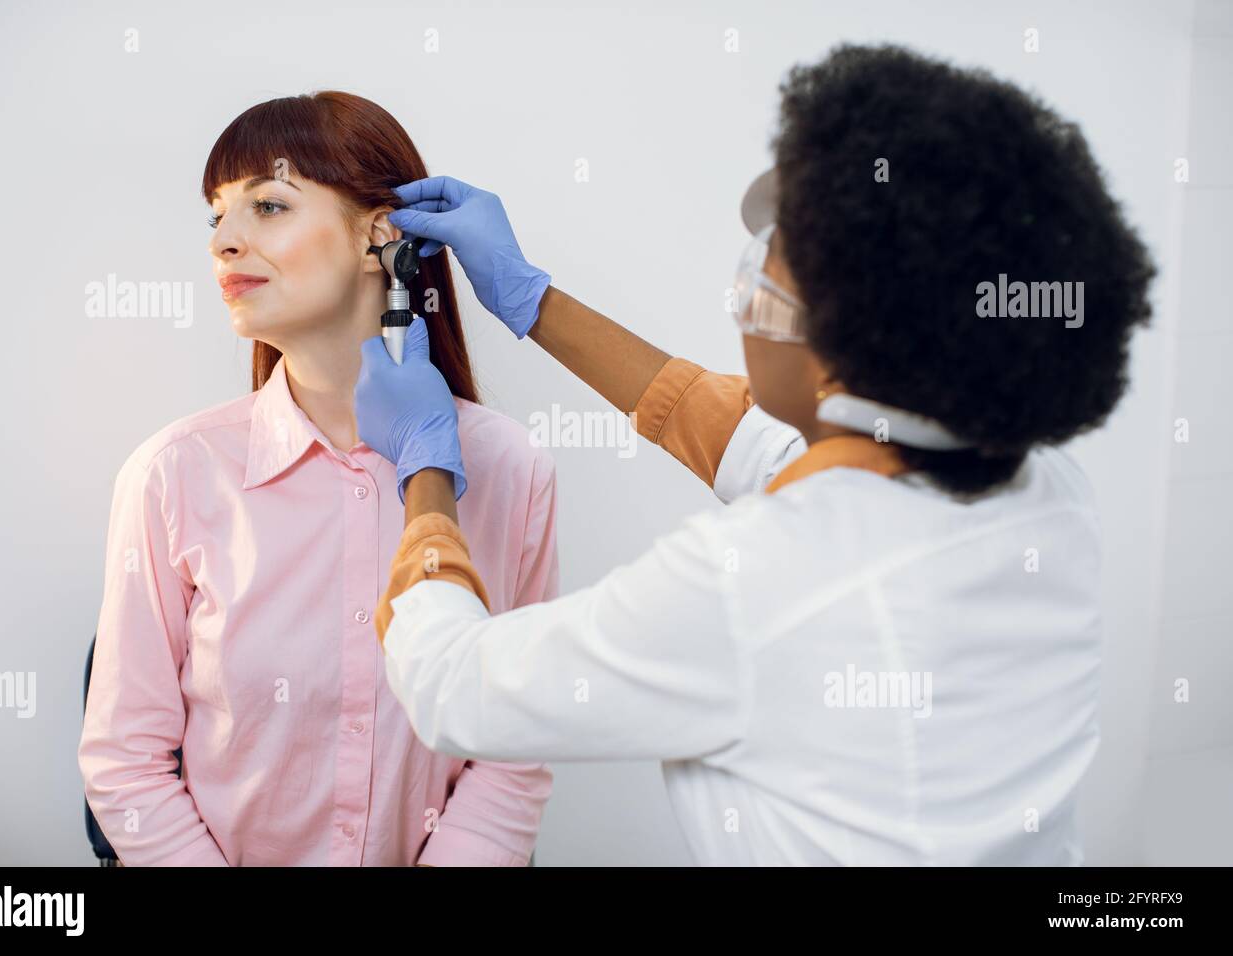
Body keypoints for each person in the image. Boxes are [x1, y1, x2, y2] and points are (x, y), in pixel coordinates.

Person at [353, 45, 1156, 865]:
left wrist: (424, 466)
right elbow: (728, 426)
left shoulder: (759, 585)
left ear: (842, 344)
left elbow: (455, 685)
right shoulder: (1046, 490)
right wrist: (532, 298)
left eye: (771, 266)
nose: (746, 291)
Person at [79, 92, 557, 866]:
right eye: (217, 217)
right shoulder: (171, 477)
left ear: (380, 234)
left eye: (268, 206)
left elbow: (512, 750)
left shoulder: (511, 469)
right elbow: (125, 765)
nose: (224, 242)